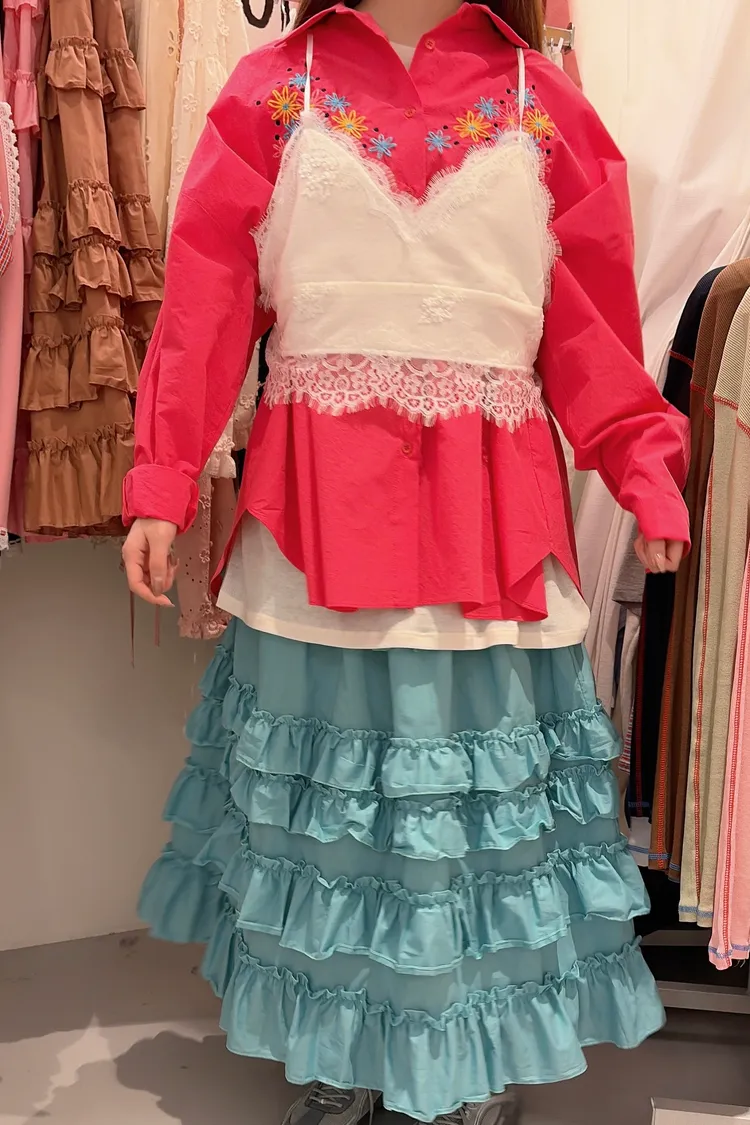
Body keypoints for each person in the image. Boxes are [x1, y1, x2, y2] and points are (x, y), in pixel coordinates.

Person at [122, 2, 690, 1123]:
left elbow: (592, 331)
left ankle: (463, 1047)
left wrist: (642, 463)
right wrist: (163, 477)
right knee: (328, 815)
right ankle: (335, 1043)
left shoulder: (544, 104)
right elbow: (204, 309)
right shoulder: (270, 90)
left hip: (491, 530)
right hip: (315, 523)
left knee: (472, 810)